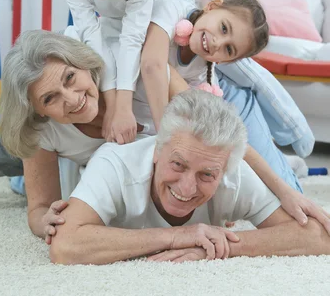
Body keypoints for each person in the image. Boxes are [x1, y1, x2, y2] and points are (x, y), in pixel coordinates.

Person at [0, 31, 328, 240]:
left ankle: (290, 165)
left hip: (130, 160)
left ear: (85, 66)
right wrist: (42, 221)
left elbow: (223, 130)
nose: (71, 100)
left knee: (270, 175)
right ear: (40, 108)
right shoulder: (41, 127)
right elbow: (41, 210)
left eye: (71, 79)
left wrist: (285, 189)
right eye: (52, 98)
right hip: (80, 163)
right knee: (11, 158)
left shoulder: (137, 75)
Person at [48, 90, 330, 266]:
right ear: (158, 149)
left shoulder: (233, 172)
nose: (187, 187)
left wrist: (222, 248)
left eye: (207, 175)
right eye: (179, 164)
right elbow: (65, 246)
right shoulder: (114, 163)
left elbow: (319, 237)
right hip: (72, 162)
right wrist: (177, 236)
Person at [141, 0, 307, 192]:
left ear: (225, 62)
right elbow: (153, 64)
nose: (217, 43)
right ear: (211, 6)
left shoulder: (204, 76)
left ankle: (286, 168)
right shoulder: (172, 11)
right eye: (224, 28)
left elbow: (219, 133)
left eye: (228, 49)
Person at [62, 0, 194, 145]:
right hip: (120, 18)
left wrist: (124, 107)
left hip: (167, 1)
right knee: (77, 38)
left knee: (152, 62)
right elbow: (93, 38)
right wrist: (112, 106)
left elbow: (132, 39)